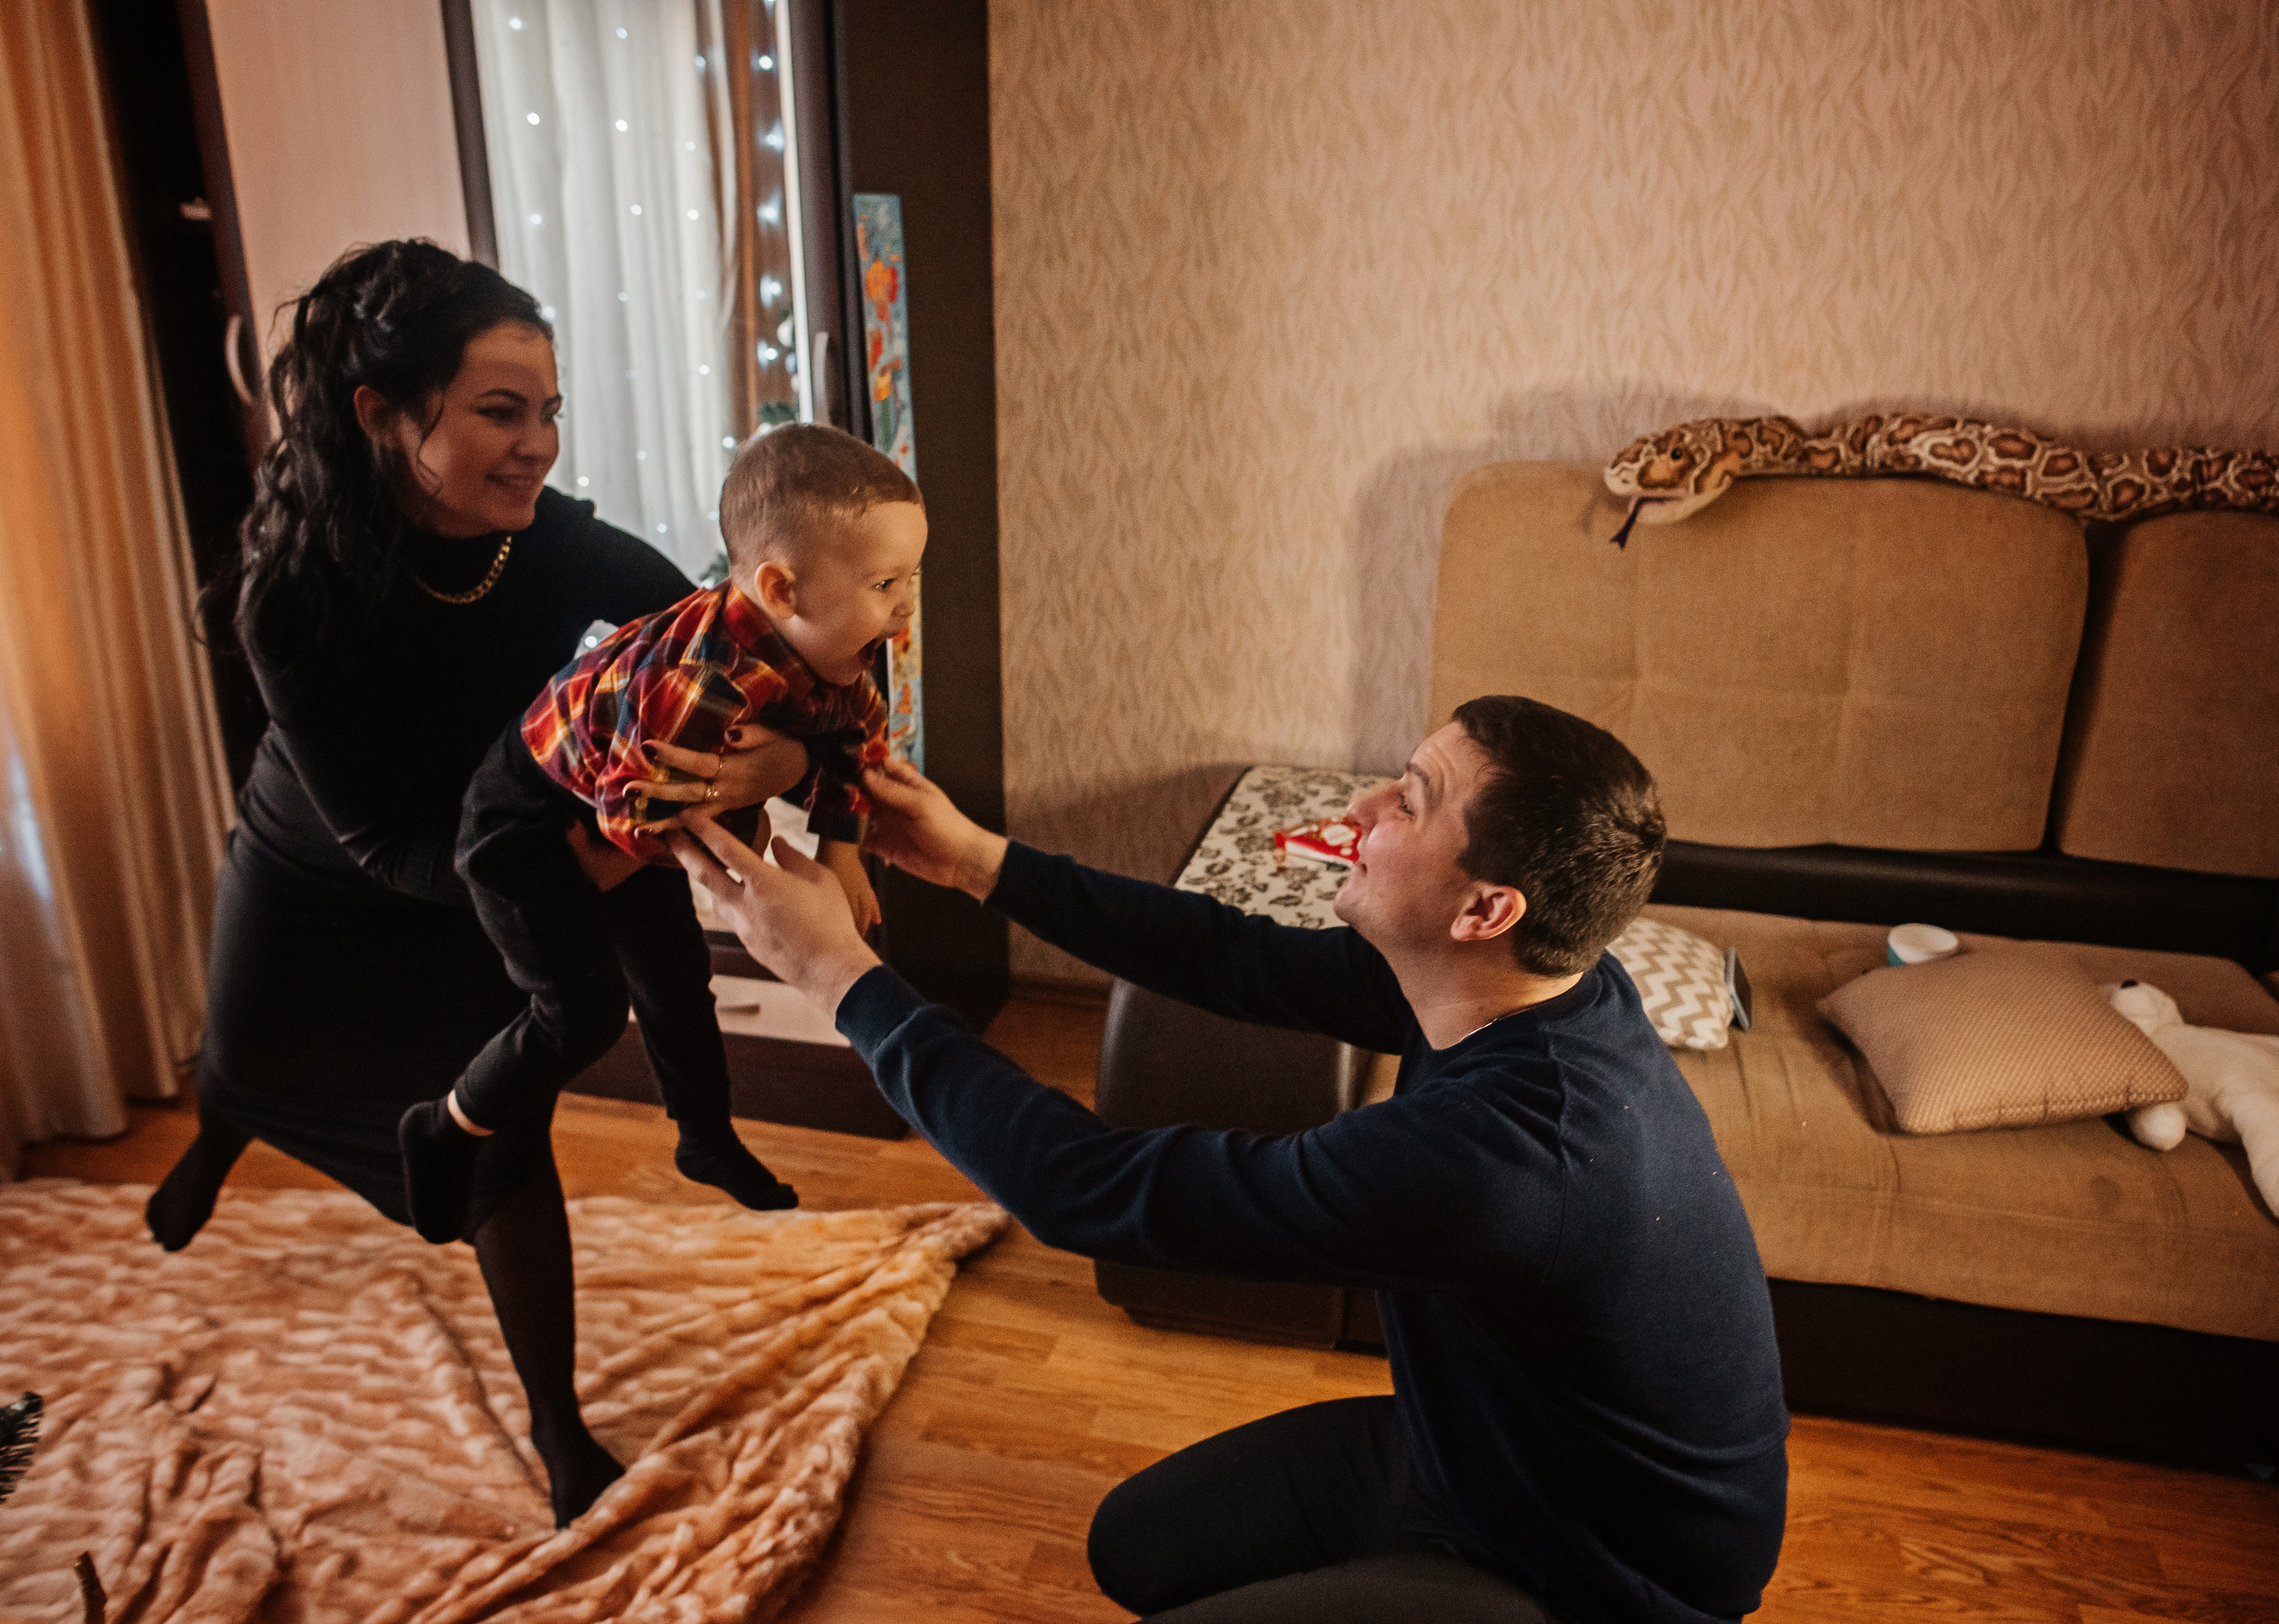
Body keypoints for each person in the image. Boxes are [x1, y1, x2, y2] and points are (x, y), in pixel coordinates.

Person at [672, 696, 1791, 1622]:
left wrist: (838, 978)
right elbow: (1230, 956)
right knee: (1136, 1549)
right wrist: (981, 864)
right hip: (1488, 1448)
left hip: (1603, 1568)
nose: (1361, 806)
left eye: (1408, 799)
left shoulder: (1504, 1156)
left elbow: (1088, 1190)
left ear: (1485, 905)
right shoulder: (1537, 981)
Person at [145, 239, 813, 1526]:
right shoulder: (294, 593)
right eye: (500, 411)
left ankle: (558, 1429)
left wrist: (778, 747)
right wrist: (624, 841)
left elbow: (723, 641)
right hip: (325, 869)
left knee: (502, 1135)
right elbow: (395, 851)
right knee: (243, 1050)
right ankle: (219, 1132)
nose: (538, 444)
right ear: (383, 417)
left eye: (549, 410)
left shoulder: (550, 547)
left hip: (486, 858)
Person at [396, 424, 921, 1243]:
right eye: (886, 581)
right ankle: (447, 1123)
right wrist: (624, 883)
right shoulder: (703, 684)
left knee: (678, 980)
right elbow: (635, 815)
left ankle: (705, 1139)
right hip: (526, 823)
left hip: (616, 809)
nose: (906, 603)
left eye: (911, 575)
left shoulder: (828, 661)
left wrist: (841, 853)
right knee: (584, 1012)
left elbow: (857, 742)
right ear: (783, 590)